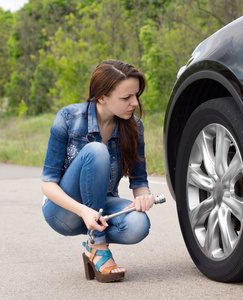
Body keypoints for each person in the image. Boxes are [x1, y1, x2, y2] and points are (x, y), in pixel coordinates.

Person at [41, 59, 155, 283]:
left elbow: (139, 181)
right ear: (101, 96)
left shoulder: (134, 127)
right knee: (96, 151)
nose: (134, 102)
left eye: (135, 96)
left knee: (138, 225)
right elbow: (47, 184)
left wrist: (144, 197)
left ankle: (94, 245)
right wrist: (83, 211)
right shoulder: (68, 119)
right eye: (126, 97)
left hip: (103, 206)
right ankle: (98, 246)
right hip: (64, 212)